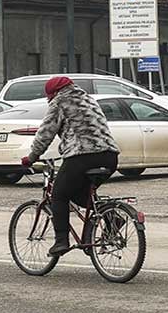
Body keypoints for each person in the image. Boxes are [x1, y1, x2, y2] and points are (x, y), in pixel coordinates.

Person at [27, 76, 119, 257]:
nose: (48, 99)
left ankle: (61, 241)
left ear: (53, 93)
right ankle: (111, 217)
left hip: (82, 156)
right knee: (81, 194)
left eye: (48, 96)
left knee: (59, 195)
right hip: (110, 156)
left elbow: (46, 133)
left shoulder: (60, 101)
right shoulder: (88, 99)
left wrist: (32, 157)